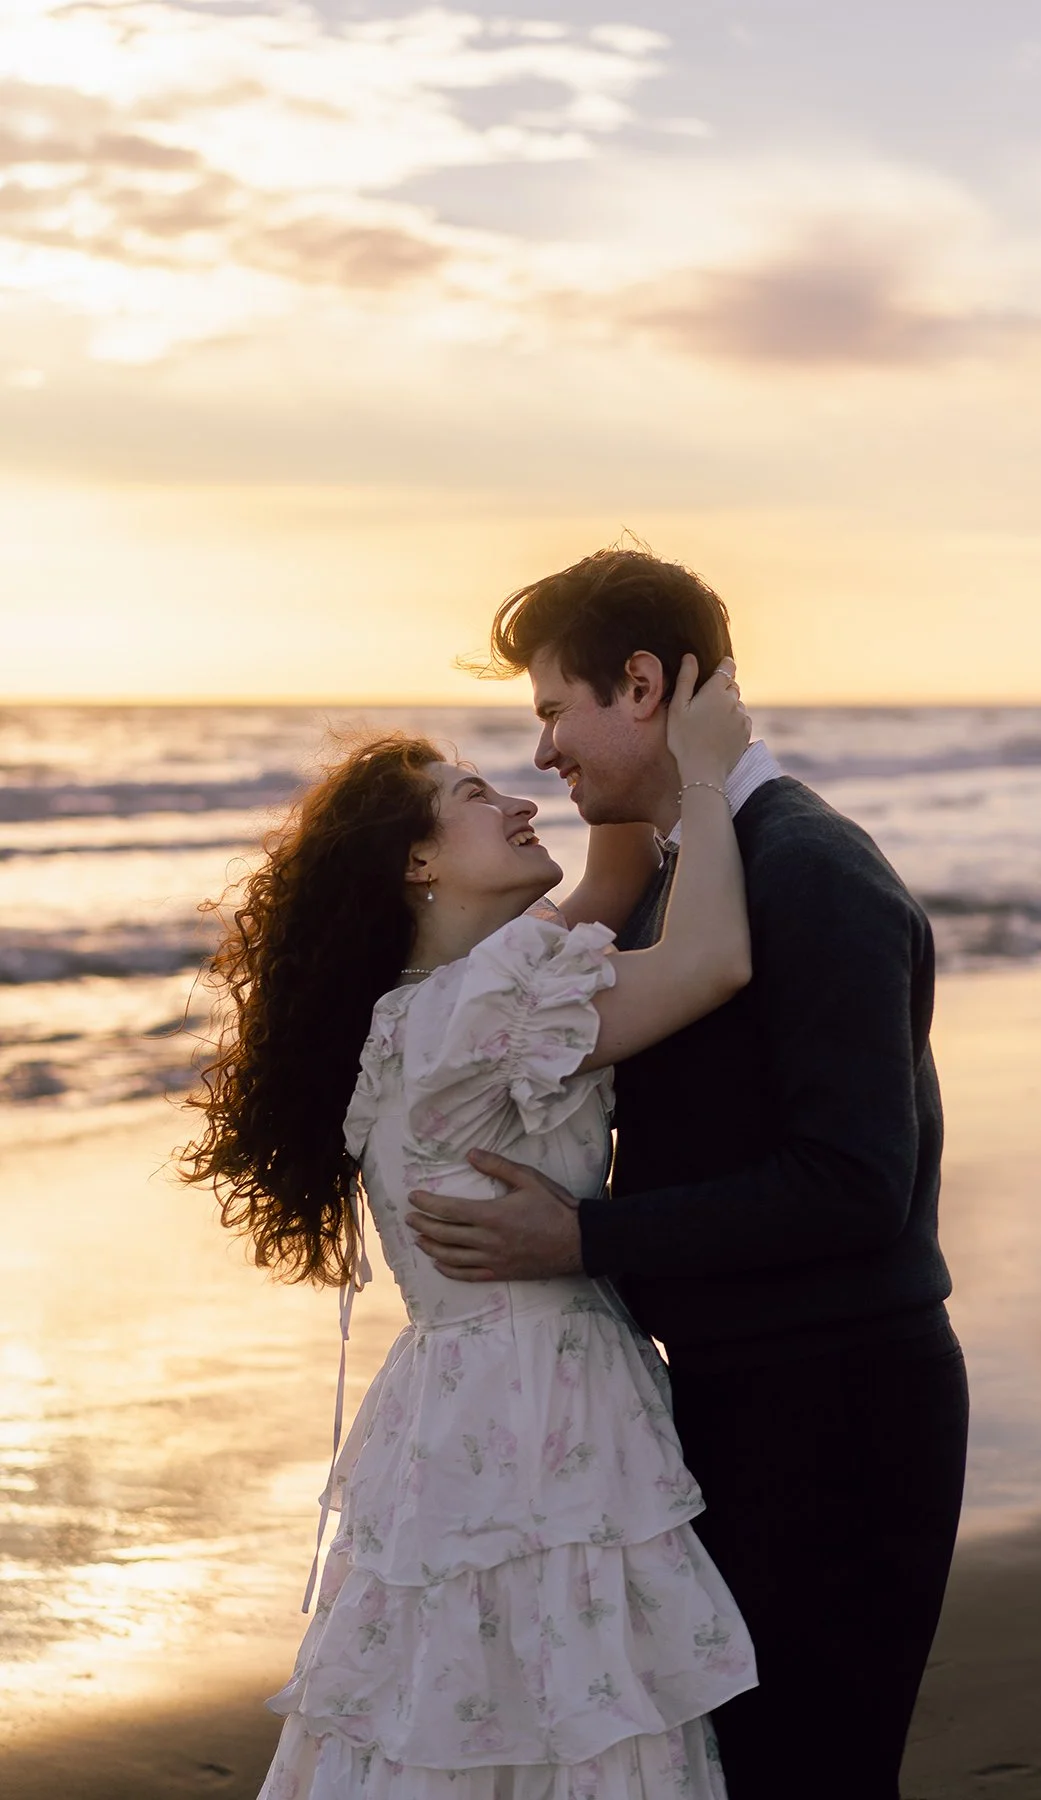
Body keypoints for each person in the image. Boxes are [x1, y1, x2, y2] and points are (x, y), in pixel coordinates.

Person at [407, 548, 971, 1800]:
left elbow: (853, 1183)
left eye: (554, 708)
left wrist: (584, 1242)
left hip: (842, 1407)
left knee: (809, 1773)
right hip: (742, 1397)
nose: (545, 752)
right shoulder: (692, 865)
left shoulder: (809, 873)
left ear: (645, 684)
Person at [178, 655, 758, 1800]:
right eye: (477, 797)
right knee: (567, 1713)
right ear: (421, 861)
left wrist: (623, 752)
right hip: (537, 1406)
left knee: (466, 1712)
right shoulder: (481, 1011)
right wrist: (701, 767)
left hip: (452, 1406)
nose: (520, 797)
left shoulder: (428, 1008)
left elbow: (612, 882)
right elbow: (710, 959)